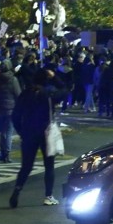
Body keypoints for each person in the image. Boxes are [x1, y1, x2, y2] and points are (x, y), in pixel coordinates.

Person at [10, 68, 68, 208]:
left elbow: (15, 116)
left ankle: (17, 190)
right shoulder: (49, 93)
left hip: (29, 132)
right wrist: (54, 77)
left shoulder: (25, 93)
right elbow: (65, 90)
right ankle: (48, 196)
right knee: (49, 165)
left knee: (26, 166)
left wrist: (21, 131)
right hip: (46, 132)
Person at [0, 61, 21, 163]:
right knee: (8, 132)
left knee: (2, 131)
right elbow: (18, 94)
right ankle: (6, 153)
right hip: (11, 109)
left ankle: (2, 152)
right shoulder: (13, 79)